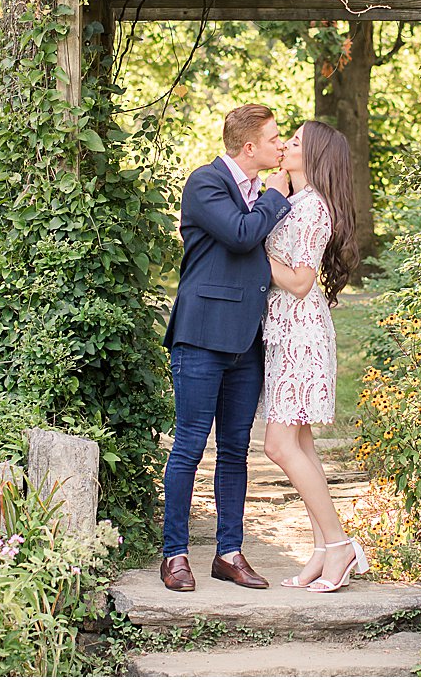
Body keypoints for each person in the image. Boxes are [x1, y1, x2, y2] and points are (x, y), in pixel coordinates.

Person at [159, 104, 292, 593]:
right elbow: (241, 236)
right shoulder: (205, 182)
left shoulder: (265, 191)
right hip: (200, 335)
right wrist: (277, 196)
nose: (282, 145)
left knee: (236, 451)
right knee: (190, 445)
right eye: (275, 138)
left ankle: (229, 554)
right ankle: (174, 555)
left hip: (246, 340)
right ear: (249, 146)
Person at [260, 120, 367, 593]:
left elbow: (302, 281)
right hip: (286, 332)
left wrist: (251, 253)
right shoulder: (298, 203)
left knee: (279, 446)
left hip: (300, 335)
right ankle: (325, 550)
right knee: (299, 445)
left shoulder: (312, 211)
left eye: (296, 141)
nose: (285, 144)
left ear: (315, 156)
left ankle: (340, 545)